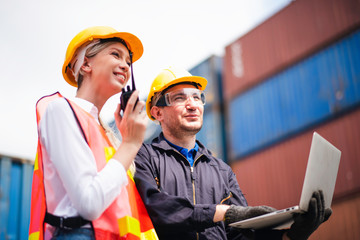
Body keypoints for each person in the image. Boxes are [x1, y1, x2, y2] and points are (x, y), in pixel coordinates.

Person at [133, 66, 332, 240]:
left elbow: (240, 235)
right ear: (158, 113)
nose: (192, 105)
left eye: (197, 97)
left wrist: (292, 235)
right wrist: (225, 213)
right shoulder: (144, 156)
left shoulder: (221, 171)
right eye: (179, 98)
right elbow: (155, 208)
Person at [28, 26, 158, 240]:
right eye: (116, 54)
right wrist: (130, 144)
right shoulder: (60, 110)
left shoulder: (105, 133)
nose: (125, 65)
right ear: (86, 64)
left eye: (128, 60)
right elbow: (89, 203)